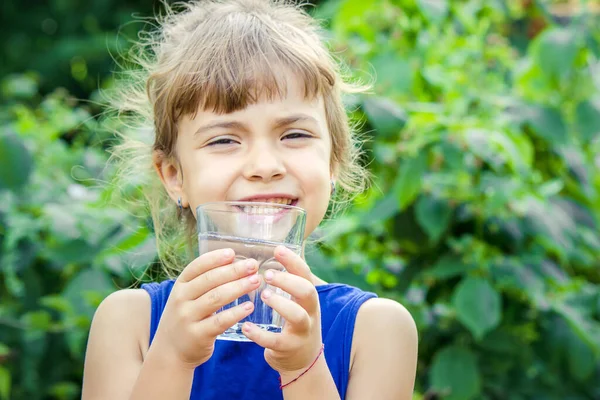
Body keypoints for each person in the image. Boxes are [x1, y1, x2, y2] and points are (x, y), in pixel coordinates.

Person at [81, 0, 418, 399]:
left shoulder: (376, 329)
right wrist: (172, 356)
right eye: (224, 139)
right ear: (174, 176)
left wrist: (303, 369)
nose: (264, 165)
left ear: (333, 160)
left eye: (294, 134)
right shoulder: (128, 323)